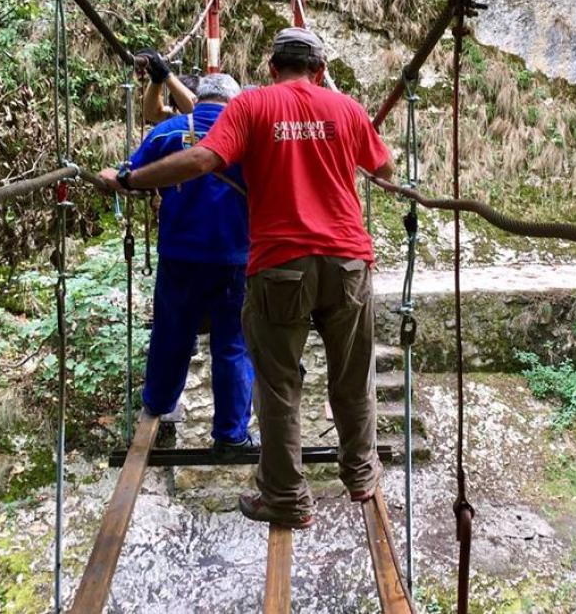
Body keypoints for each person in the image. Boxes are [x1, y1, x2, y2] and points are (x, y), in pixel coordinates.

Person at [102, 27, 396, 529]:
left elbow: (201, 160)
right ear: (320, 71)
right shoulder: (346, 108)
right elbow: (385, 168)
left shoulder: (253, 105)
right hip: (348, 260)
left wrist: (128, 180)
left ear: (271, 67)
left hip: (281, 264)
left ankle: (286, 496)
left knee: (280, 384)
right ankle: (361, 474)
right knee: (352, 375)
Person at [99, 72, 257, 452]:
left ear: (197, 97)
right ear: (233, 103)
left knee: (172, 333)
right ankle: (232, 434)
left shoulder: (167, 133)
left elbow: (125, 178)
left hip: (179, 256)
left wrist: (111, 177)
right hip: (235, 257)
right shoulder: (250, 135)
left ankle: (158, 403)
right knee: (233, 344)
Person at [136, 48, 199, 124]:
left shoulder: (211, 121)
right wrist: (156, 78)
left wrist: (165, 73)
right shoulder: (176, 116)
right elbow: (151, 114)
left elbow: (195, 111)